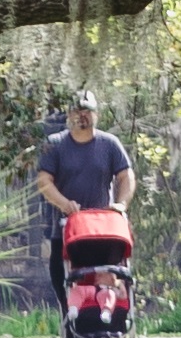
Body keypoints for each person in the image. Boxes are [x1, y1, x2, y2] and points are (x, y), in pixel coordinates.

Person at [30, 98, 133, 307]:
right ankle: (70, 322)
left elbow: (126, 176)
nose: (81, 116)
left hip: (103, 232)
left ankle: (114, 319)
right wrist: (64, 204)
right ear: (69, 116)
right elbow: (44, 181)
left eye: (87, 111)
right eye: (76, 111)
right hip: (67, 230)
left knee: (111, 277)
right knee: (63, 280)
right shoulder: (55, 144)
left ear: (96, 114)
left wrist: (121, 204)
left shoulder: (110, 144)